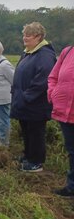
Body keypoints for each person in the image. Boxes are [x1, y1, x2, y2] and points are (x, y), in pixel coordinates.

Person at [10, 22, 56, 172]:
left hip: (36, 104)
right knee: (27, 131)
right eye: (24, 35)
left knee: (36, 133)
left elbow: (43, 79)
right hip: (25, 103)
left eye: (28, 35)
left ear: (38, 37)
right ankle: (28, 156)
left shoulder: (45, 55)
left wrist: (26, 96)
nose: (24, 38)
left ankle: (36, 162)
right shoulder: (28, 52)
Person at [48, 45, 74, 196]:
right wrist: (53, 93)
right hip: (66, 111)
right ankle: (71, 186)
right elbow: (53, 76)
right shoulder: (68, 51)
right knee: (72, 151)